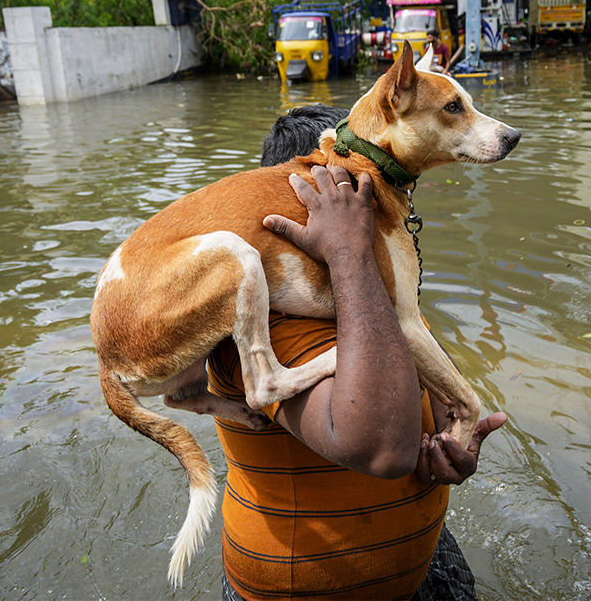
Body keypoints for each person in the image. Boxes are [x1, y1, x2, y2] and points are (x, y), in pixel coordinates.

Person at [210, 105, 508, 600]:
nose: (377, 206)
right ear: (306, 203)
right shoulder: (255, 327)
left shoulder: (374, 296)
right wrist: (347, 252)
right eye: (357, 192)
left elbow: (431, 422)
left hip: (421, 570)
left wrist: (449, 452)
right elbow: (384, 448)